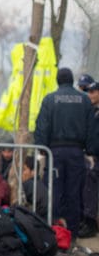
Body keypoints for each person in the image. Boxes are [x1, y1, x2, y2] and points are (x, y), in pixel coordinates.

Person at [34, 67, 93, 239]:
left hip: (55, 153)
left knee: (53, 191)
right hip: (76, 152)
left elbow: (42, 126)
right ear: (72, 80)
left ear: (57, 80)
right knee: (74, 193)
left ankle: (54, 233)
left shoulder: (50, 99)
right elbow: (91, 128)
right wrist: (88, 150)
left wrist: (41, 149)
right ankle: (72, 234)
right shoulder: (84, 100)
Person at [80, 82, 99, 237]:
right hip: (94, 156)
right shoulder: (91, 111)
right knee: (89, 188)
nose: (90, 95)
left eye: (93, 92)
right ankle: (90, 222)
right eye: (89, 92)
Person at [21, 156, 49, 221]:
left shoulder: (28, 184)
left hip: (35, 222)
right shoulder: (41, 184)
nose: (21, 173)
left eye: (24, 170)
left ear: (33, 172)